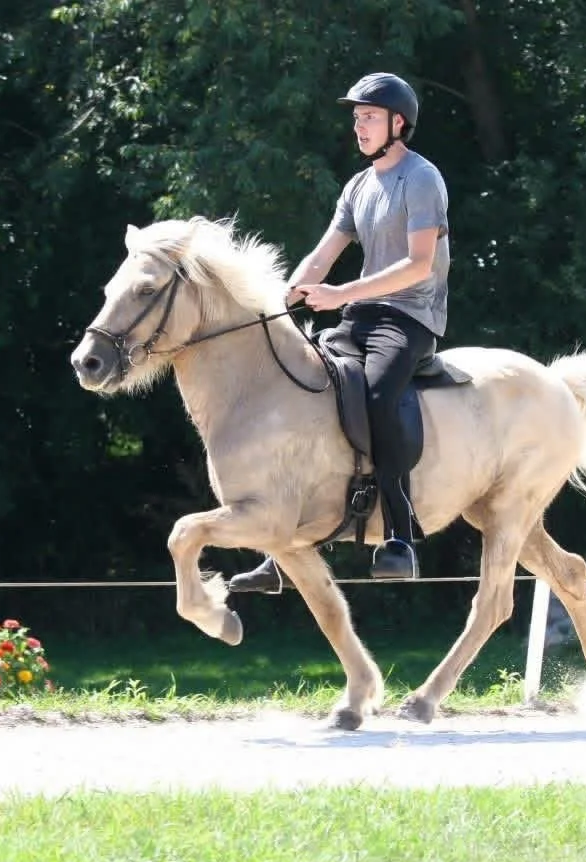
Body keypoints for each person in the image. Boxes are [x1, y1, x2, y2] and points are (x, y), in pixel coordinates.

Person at [226, 71, 451, 593]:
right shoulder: (357, 185)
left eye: (368, 117)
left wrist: (341, 294)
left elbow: (419, 266)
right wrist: (281, 298)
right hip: (362, 316)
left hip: (409, 316)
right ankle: (283, 552)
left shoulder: (422, 179)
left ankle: (400, 534)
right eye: (356, 119)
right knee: (308, 392)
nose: (359, 127)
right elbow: (322, 256)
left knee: (374, 396)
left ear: (399, 123)